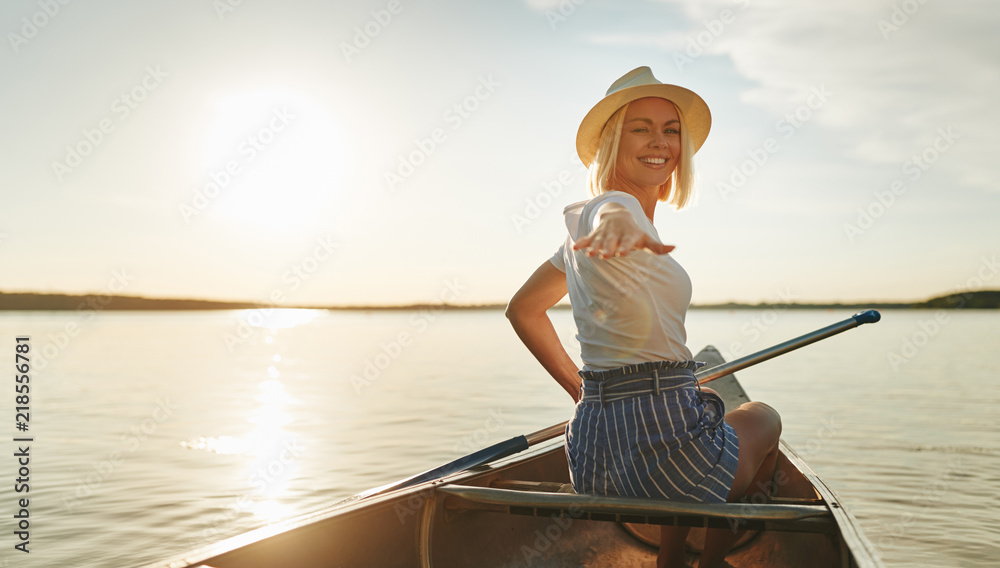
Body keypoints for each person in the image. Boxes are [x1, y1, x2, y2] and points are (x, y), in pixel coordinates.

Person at [505, 67, 782, 568]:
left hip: (593, 457)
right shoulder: (611, 210)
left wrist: (580, 389)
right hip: (663, 452)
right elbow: (608, 212)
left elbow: (522, 310)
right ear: (613, 139)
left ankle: (669, 558)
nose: (659, 141)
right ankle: (713, 559)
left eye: (670, 129)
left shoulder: (576, 243)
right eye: (641, 127)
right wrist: (616, 225)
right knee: (763, 417)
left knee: (710, 397)